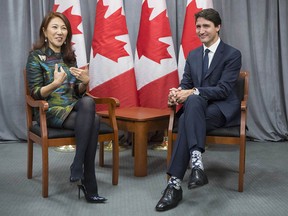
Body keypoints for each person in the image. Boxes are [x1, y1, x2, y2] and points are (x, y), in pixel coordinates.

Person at [155, 8, 242, 211]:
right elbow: (186, 84)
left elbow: (223, 90)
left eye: (206, 26)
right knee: (192, 103)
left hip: (219, 109)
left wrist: (192, 92)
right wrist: (177, 93)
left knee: (188, 114)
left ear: (218, 27)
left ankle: (174, 184)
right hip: (198, 109)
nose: (201, 30)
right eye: (198, 26)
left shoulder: (232, 54)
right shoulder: (193, 55)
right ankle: (196, 165)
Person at [26, 12, 107, 203]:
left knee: (87, 102)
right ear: (45, 31)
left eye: (63, 28)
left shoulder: (69, 57)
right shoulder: (36, 57)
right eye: (55, 27)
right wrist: (54, 84)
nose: (60, 32)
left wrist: (84, 83)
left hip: (73, 108)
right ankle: (89, 181)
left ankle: (77, 164)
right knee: (94, 120)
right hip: (50, 111)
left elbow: (77, 94)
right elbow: (35, 93)